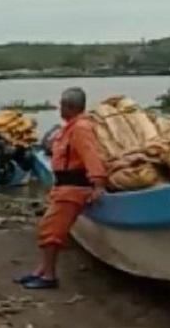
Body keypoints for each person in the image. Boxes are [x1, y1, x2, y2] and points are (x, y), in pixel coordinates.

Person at [18, 87, 106, 290]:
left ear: (69, 107)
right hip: (64, 186)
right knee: (49, 228)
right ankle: (41, 270)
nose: (59, 108)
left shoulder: (81, 129)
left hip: (73, 188)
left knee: (51, 231)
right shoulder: (70, 127)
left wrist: (99, 183)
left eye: (62, 105)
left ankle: (49, 276)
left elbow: (90, 155)